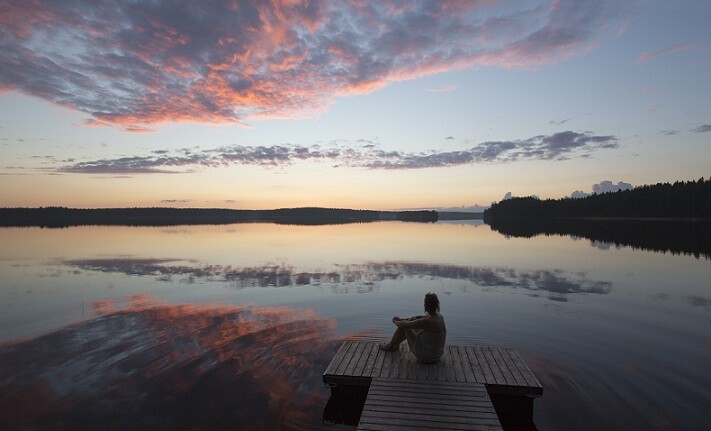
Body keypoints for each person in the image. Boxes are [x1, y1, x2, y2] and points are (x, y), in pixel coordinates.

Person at [379, 292, 446, 363]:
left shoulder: (428, 322)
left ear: (425, 305)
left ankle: (390, 346)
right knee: (412, 319)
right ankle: (395, 344)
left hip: (426, 356)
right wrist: (402, 319)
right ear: (436, 305)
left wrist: (394, 321)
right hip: (437, 355)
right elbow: (419, 317)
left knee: (405, 325)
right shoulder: (439, 317)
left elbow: (403, 325)